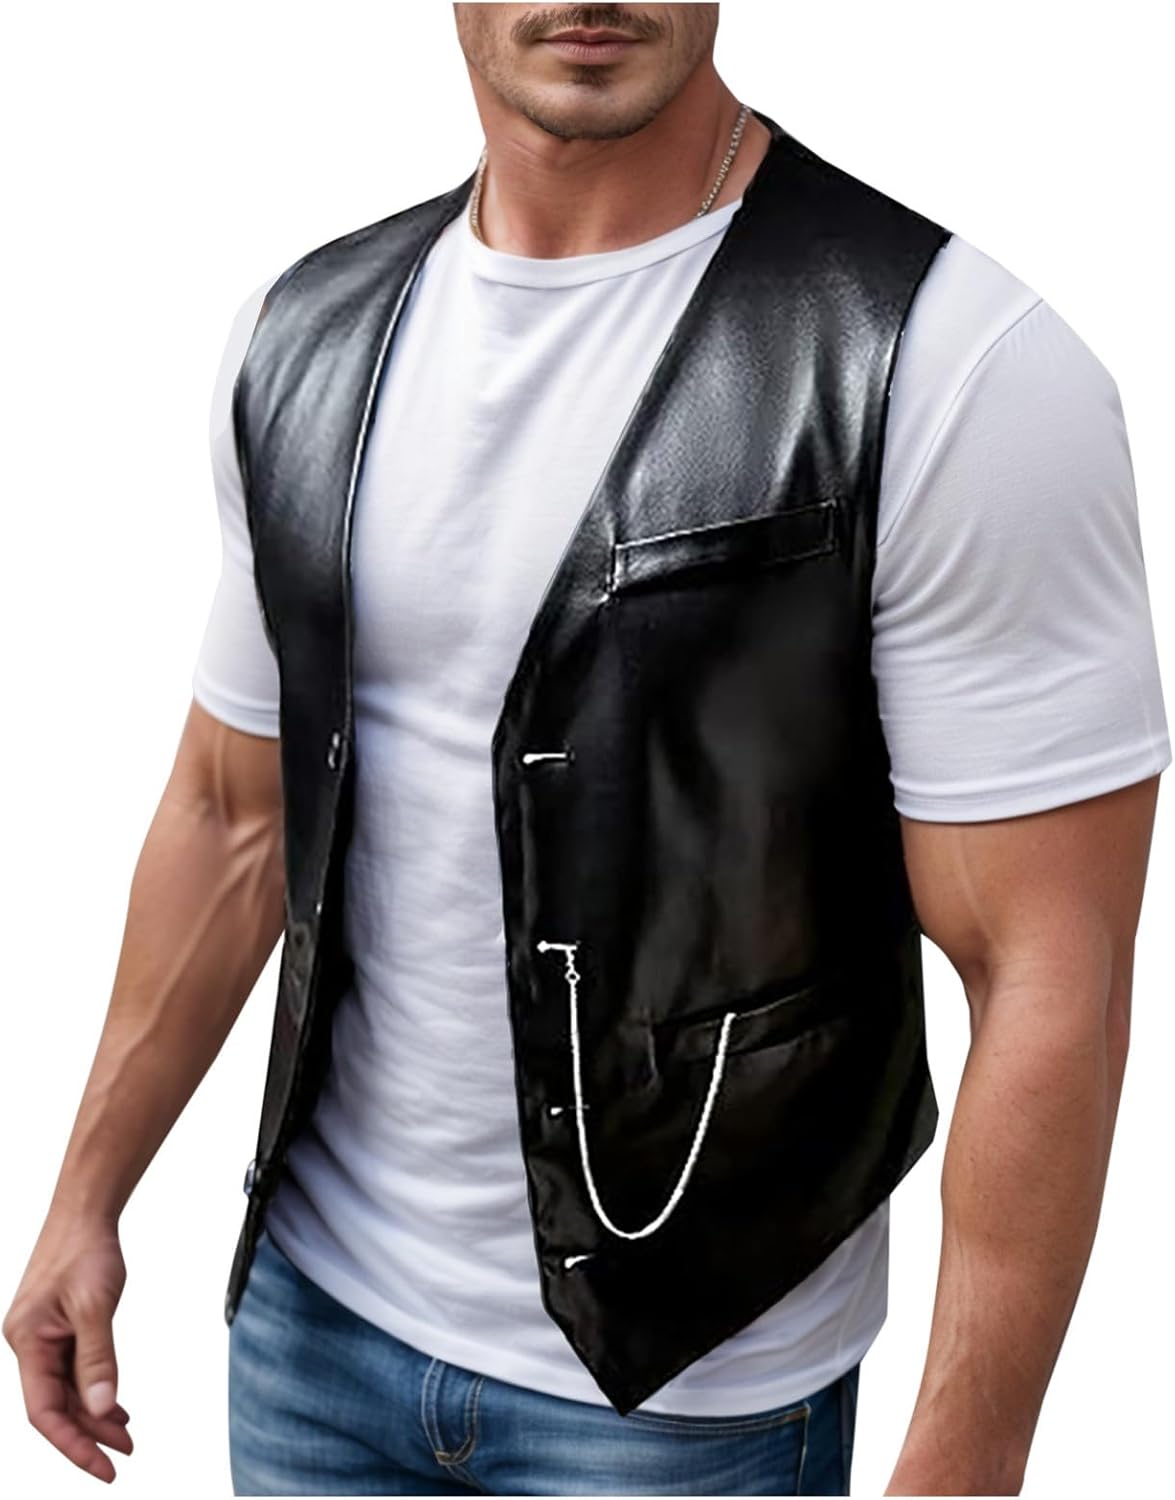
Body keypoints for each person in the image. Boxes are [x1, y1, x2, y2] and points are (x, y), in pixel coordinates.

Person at [4, 4, 1169, 1495]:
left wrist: (968, 1464)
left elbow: (1050, 965)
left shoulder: (952, 361)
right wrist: (86, 1193)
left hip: (690, 1394)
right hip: (310, 1337)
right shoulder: (302, 335)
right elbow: (232, 813)